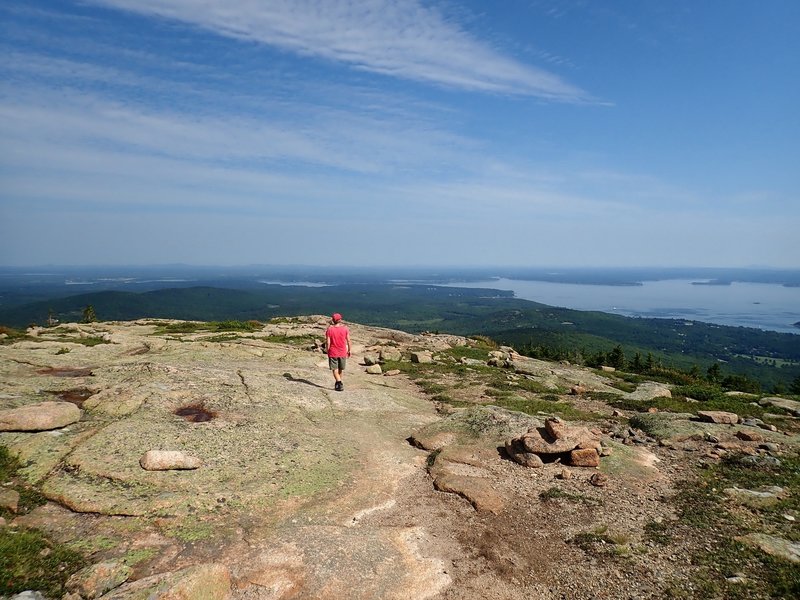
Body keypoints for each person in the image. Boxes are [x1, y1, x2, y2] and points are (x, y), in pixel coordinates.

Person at [325, 313, 351, 391]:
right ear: (340, 320)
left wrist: (327, 350)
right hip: (343, 352)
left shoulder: (329, 329)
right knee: (340, 369)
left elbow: (328, 342)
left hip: (333, 352)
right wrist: (349, 350)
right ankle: (338, 383)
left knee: (335, 369)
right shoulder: (345, 329)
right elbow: (348, 340)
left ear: (333, 320)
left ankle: (339, 382)